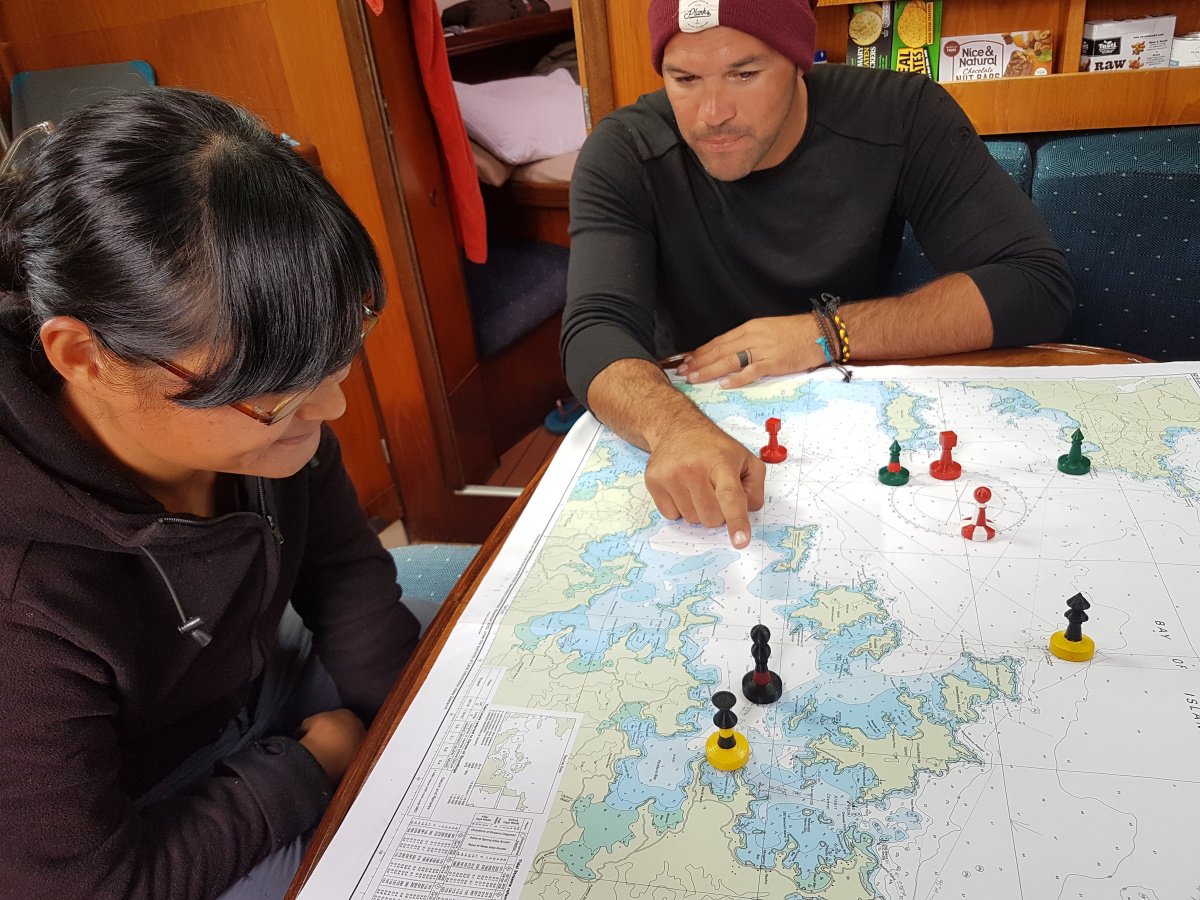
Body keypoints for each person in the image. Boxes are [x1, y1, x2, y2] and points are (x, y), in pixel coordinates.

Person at [0, 89, 440, 899]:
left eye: (335, 362)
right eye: (272, 394)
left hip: (255, 690)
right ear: (84, 356)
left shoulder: (267, 424)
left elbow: (344, 572)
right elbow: (88, 885)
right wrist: (308, 769)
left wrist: (406, 730)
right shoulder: (23, 592)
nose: (331, 410)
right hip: (148, 815)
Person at [560, 0, 1075, 549]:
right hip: (689, 410)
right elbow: (594, 327)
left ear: (798, 60)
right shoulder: (624, 150)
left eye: (745, 74)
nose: (712, 112)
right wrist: (674, 428)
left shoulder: (901, 114)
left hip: (856, 408)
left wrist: (825, 333)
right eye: (684, 79)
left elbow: (1037, 285)